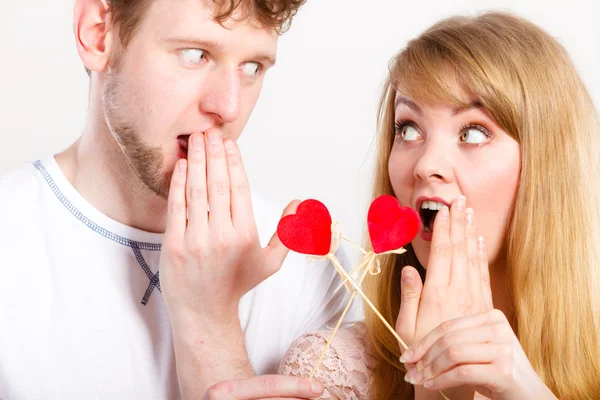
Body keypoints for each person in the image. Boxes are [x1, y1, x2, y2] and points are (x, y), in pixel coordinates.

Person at [0, 0, 359, 398]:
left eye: (253, 67)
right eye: (195, 54)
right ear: (98, 34)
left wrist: (213, 324)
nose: (228, 107)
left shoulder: (315, 269)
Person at [280, 11, 600, 400]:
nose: (426, 164)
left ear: (548, 165)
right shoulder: (329, 372)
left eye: (473, 132)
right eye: (409, 129)